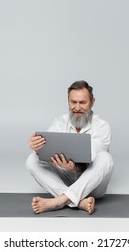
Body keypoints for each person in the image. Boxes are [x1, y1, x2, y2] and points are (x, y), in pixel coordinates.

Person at [26, 80, 113, 214]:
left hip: (92, 186)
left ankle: (58, 202)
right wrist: (37, 146)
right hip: (66, 180)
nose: (77, 107)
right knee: (32, 160)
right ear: (68, 102)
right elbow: (45, 151)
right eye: (73, 102)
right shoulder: (59, 123)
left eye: (82, 103)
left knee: (105, 158)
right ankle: (77, 201)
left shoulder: (102, 126)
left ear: (92, 102)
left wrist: (74, 167)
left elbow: (94, 160)